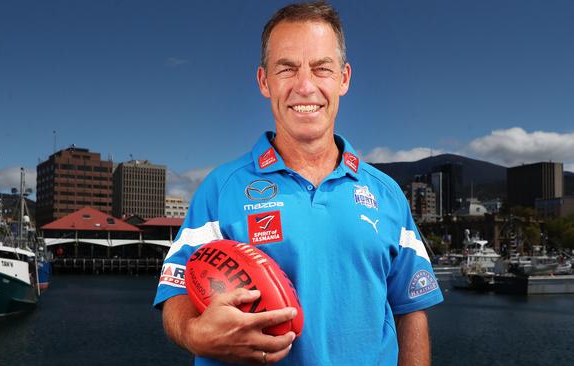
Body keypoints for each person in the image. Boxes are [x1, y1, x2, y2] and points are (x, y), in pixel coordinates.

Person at [154, 2, 443, 365]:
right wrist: (195, 333)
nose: (305, 86)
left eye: (321, 68)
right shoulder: (220, 188)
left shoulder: (387, 195)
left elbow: (411, 310)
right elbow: (176, 292)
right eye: (287, 69)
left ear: (344, 78)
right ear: (264, 81)